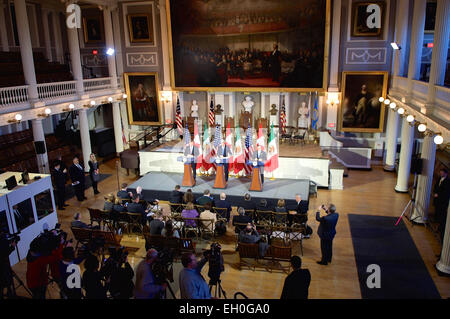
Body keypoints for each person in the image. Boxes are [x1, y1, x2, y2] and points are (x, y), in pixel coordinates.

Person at [433, 168, 450, 241]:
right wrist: (435, 192)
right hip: (437, 200)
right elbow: (436, 186)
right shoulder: (440, 178)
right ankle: (437, 223)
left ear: (446, 173)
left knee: (441, 214)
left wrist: (438, 195)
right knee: (437, 211)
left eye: (442, 172)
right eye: (440, 172)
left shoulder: (448, 181)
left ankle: (440, 227)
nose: (440, 173)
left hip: (442, 201)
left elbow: (446, 192)